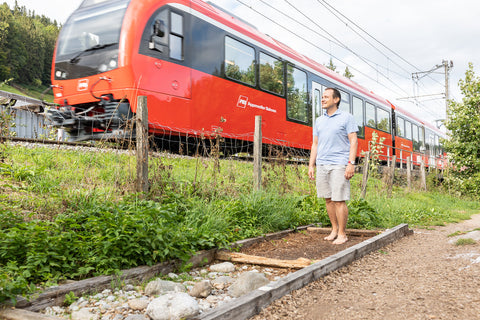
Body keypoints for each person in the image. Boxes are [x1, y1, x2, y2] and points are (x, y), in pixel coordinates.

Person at [308, 87, 358, 245]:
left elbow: (354, 141)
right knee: (328, 200)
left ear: (336, 100)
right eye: (322, 97)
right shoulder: (319, 120)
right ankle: (334, 230)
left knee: (339, 200)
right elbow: (315, 144)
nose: (322, 99)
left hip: (339, 164)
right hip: (322, 164)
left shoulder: (346, 117)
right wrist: (311, 165)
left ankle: (342, 234)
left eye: (326, 97)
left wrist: (351, 163)